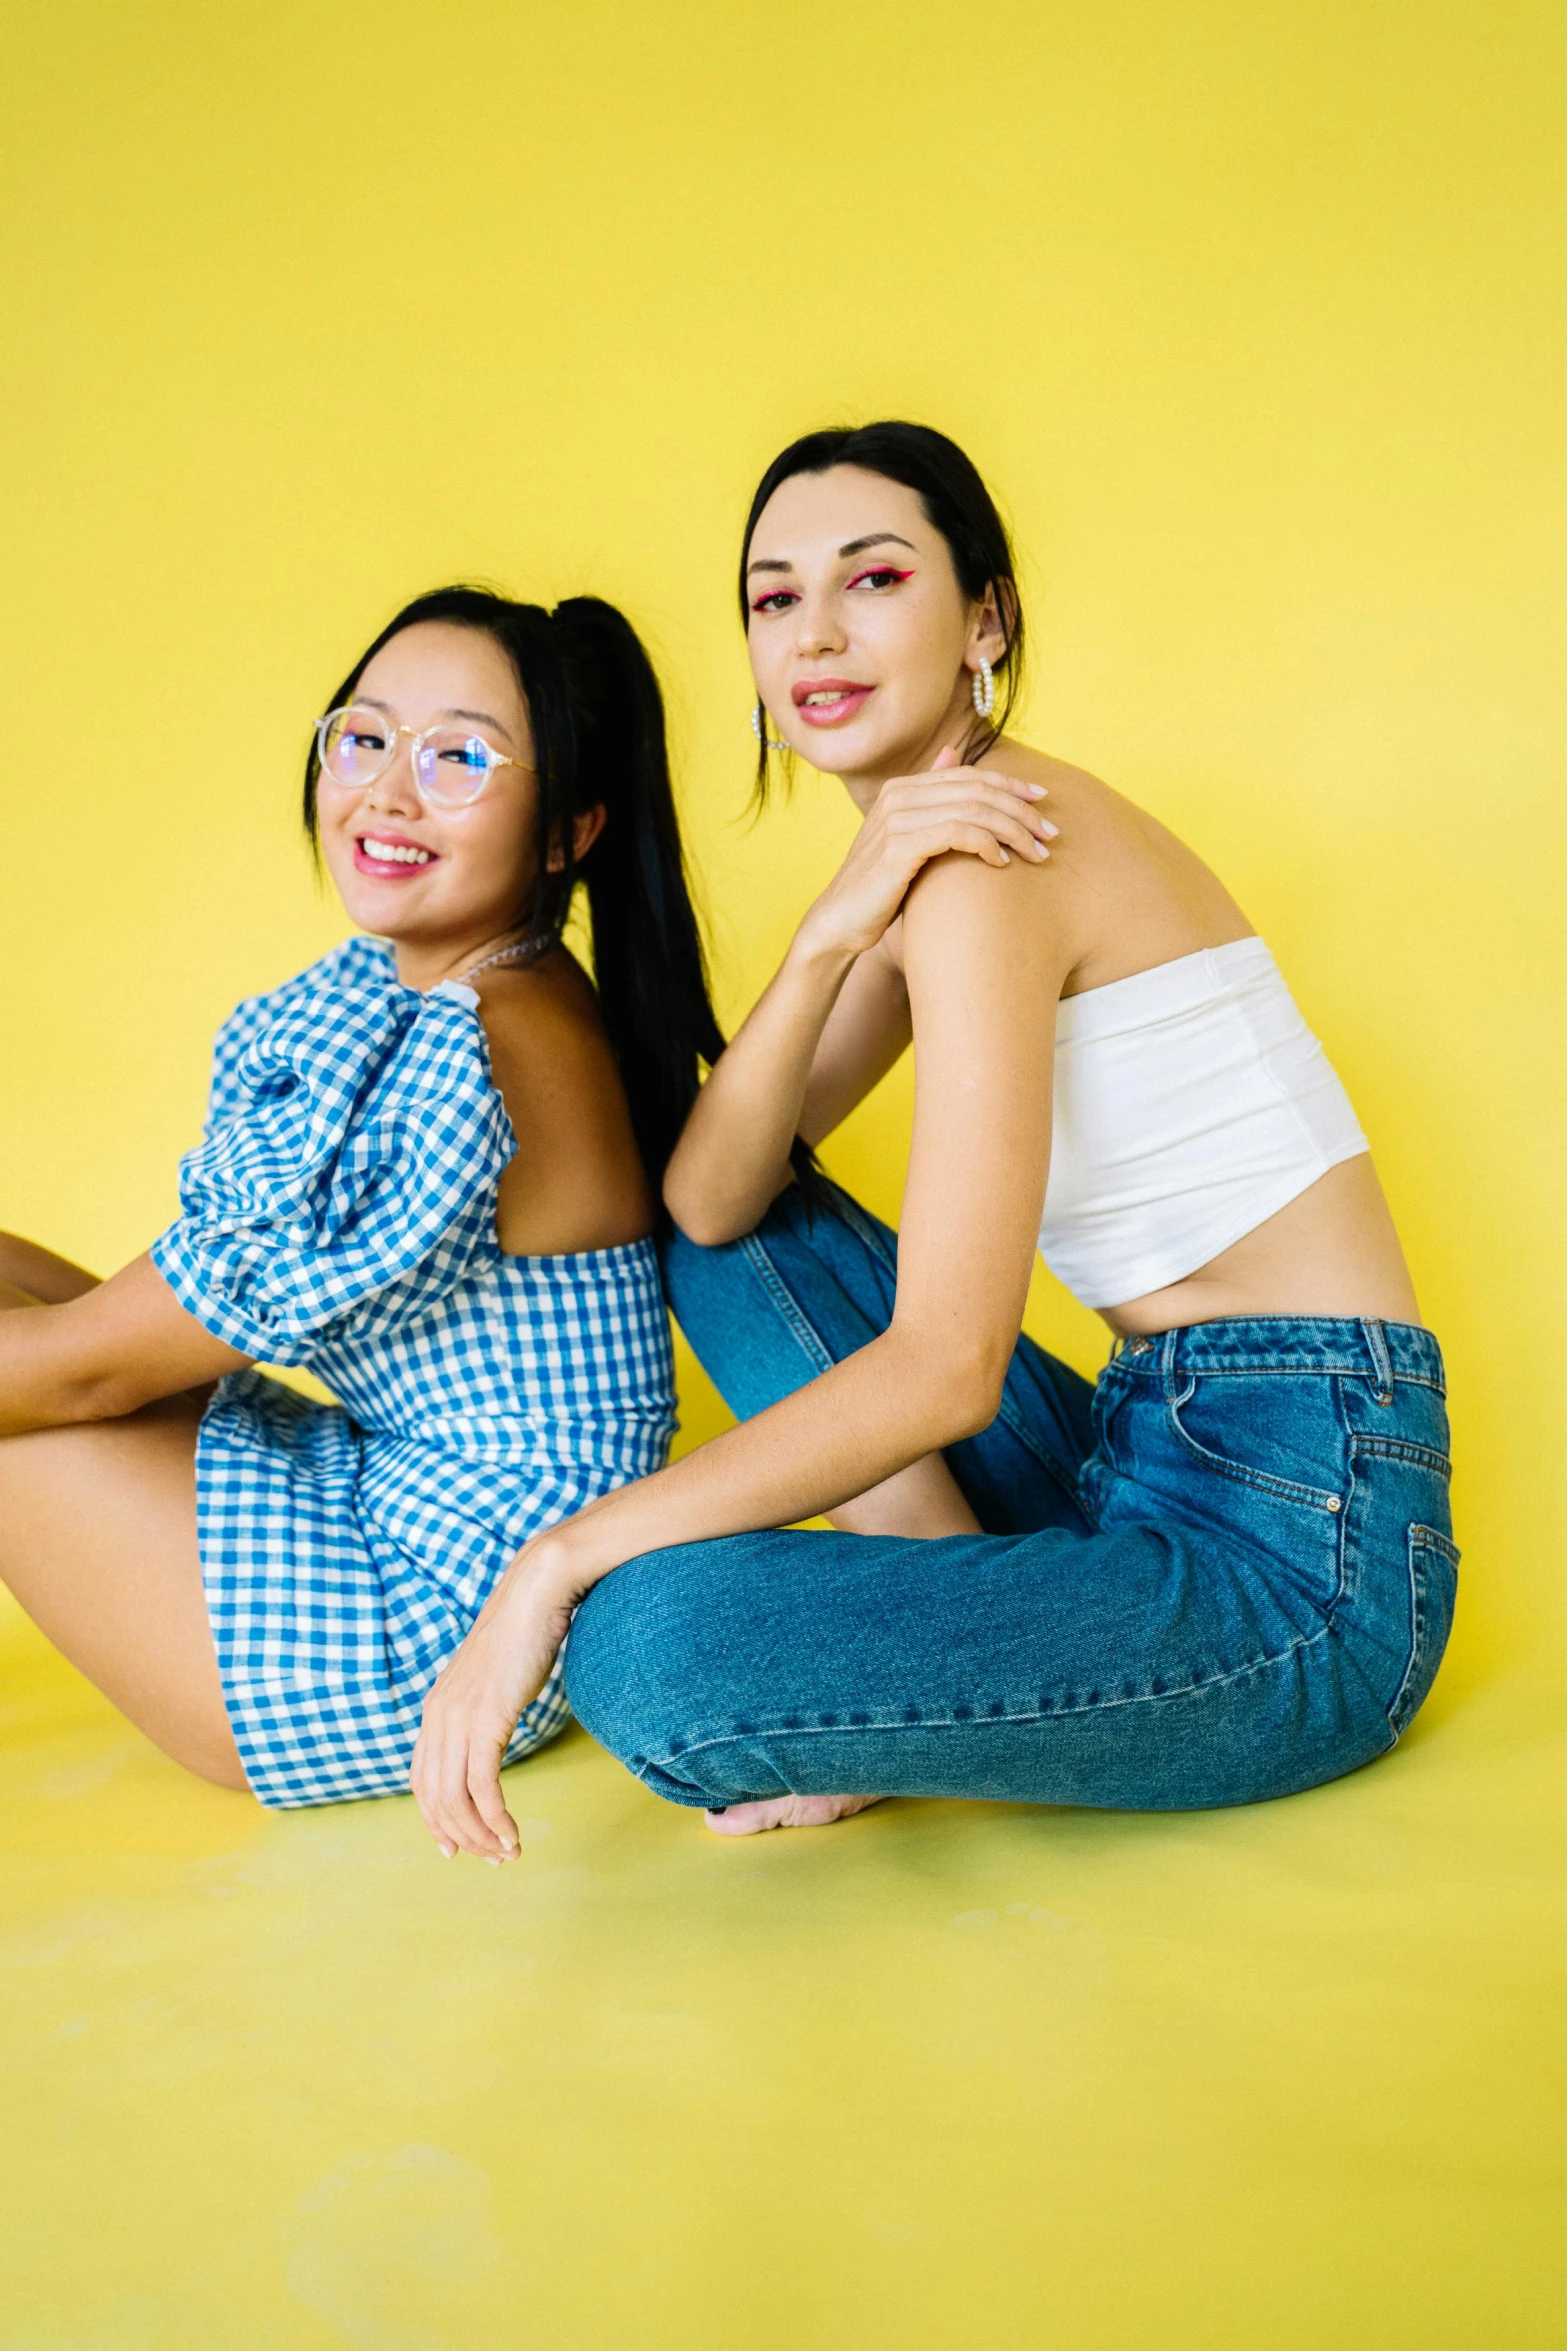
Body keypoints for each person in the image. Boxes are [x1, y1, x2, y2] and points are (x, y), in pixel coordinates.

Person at [411, 425, 1456, 1860]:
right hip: (1142, 1447)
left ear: (984, 617)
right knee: (731, 1234)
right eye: (773, 598)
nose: (815, 633)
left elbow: (947, 1366)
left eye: (874, 577)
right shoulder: (922, 862)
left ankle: (937, 1679)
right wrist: (833, 925)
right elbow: (713, 1200)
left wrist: (556, 1558)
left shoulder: (987, 862)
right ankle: (954, 1668)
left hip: (1304, 1567)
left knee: (643, 1645)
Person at [0, 585, 722, 1809]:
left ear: (564, 833)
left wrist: (69, 1362)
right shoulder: (479, 982)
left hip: (443, 1628)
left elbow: (86, 1372)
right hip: (394, 1491)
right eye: (366, 735)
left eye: (459, 756)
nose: (388, 792)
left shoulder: (485, 1041)